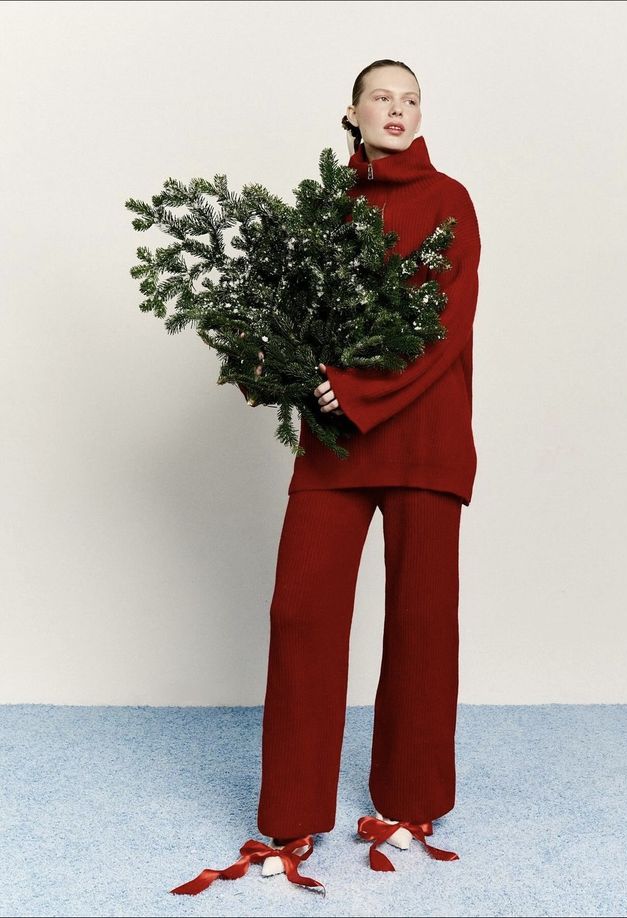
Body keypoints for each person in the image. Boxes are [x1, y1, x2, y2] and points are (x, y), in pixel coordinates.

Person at [170, 58, 481, 897]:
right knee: (301, 610)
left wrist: (353, 391)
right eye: (383, 96)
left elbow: (445, 330)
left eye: (412, 100)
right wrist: (270, 362)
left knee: (421, 622)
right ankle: (291, 815)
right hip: (335, 442)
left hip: (424, 439)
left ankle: (413, 802)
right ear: (352, 112)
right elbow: (288, 313)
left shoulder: (451, 201)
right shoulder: (326, 210)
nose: (399, 110)